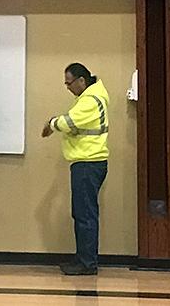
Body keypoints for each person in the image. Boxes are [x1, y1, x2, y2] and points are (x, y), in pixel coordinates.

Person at [42, 63, 110, 276]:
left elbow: (68, 122)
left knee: (85, 215)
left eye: (69, 83)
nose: (68, 88)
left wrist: (51, 123)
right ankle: (82, 258)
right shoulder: (89, 97)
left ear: (82, 80)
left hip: (88, 163)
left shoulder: (90, 100)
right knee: (82, 213)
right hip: (86, 163)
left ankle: (87, 263)